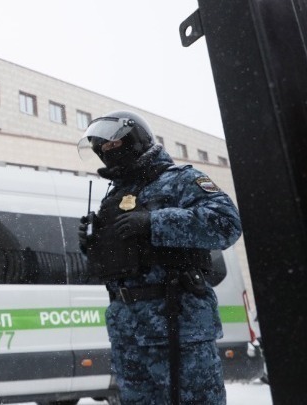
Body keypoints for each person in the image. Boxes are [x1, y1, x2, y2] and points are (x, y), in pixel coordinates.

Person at [76, 111, 242, 405]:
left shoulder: (181, 179)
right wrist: (94, 244)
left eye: (113, 144)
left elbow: (226, 224)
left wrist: (155, 222)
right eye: (102, 147)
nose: (107, 151)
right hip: (128, 332)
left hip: (179, 325)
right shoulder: (113, 197)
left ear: (136, 139)